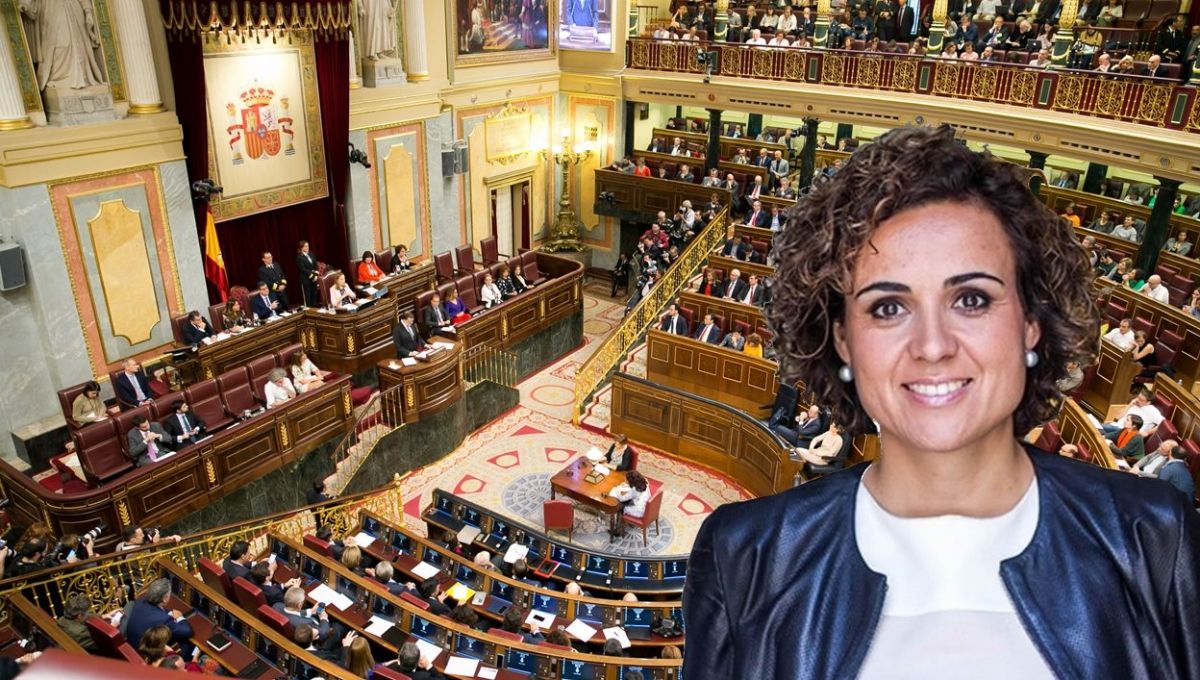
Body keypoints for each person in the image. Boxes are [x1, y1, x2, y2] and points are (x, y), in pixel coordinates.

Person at [683, 125, 1200, 680]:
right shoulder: (746, 554)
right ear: (843, 340)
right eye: (888, 308)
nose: (932, 346)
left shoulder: (1153, 537)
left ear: (1030, 322)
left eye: (971, 299)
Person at [125, 578, 193, 649]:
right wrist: (180, 617)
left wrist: (168, 613)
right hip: (142, 652)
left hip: (130, 645)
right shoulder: (164, 620)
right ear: (164, 599)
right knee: (185, 643)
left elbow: (156, 612)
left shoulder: (140, 601)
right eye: (169, 594)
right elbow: (187, 632)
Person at [608, 470, 651, 537]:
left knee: (620, 508)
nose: (626, 481)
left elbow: (622, 498)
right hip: (645, 505)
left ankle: (617, 531)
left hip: (639, 510)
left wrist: (617, 490)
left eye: (627, 480)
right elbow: (633, 493)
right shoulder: (645, 481)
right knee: (626, 502)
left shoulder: (634, 490)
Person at [377, 642, 446, 680]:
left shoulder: (386, 668)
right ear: (417, 663)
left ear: (399, 658)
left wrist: (385, 664)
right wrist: (429, 666)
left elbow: (373, 669)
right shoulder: (423, 677)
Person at [296, 240, 321, 307]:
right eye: (305, 246)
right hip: (306, 280)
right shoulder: (299, 257)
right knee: (308, 296)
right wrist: (313, 275)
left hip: (314, 279)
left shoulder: (311, 253)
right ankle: (309, 309)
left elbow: (315, 264)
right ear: (301, 248)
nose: (307, 247)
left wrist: (316, 275)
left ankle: (314, 308)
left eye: (308, 246)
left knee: (314, 294)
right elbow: (303, 269)